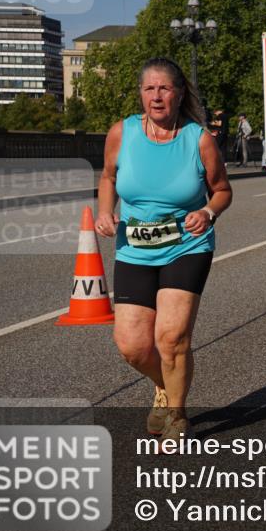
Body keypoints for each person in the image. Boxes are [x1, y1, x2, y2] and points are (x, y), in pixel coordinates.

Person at [95, 57, 232, 443]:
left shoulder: (198, 139)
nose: (156, 96)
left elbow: (222, 190)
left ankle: (176, 412)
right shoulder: (122, 133)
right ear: (141, 94)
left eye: (164, 88)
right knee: (133, 346)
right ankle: (166, 385)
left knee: (171, 339)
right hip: (134, 248)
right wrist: (106, 212)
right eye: (149, 88)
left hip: (186, 245)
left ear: (179, 93)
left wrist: (207, 212)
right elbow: (108, 177)